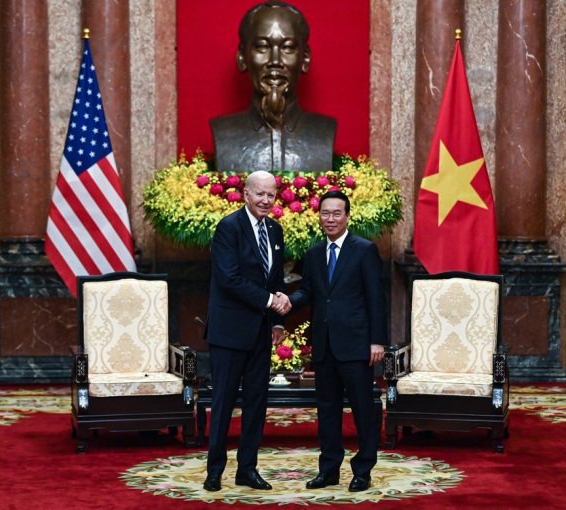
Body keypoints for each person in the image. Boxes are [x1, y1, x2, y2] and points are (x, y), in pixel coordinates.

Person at [288, 190, 387, 492]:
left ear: (347, 216)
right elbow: (308, 292)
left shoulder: (364, 250)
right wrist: (285, 300)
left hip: (357, 345)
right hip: (325, 345)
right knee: (327, 411)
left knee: (362, 411)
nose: (330, 219)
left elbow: (376, 299)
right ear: (319, 216)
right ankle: (329, 469)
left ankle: (363, 470)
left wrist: (377, 341)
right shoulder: (315, 253)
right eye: (325, 213)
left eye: (336, 213)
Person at [203, 170, 292, 492]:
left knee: (257, 403)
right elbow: (229, 279)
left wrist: (279, 317)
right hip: (229, 333)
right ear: (245, 194)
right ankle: (214, 471)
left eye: (271, 195)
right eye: (260, 194)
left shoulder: (275, 230)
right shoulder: (228, 228)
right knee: (224, 402)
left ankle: (247, 470)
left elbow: (275, 278)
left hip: (260, 331)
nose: (266, 200)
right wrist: (271, 300)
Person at [211, 1, 336, 173]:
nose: (275, 61)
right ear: (242, 57)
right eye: (262, 47)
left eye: (287, 47)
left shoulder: (324, 131)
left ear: (305, 58)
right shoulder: (224, 132)